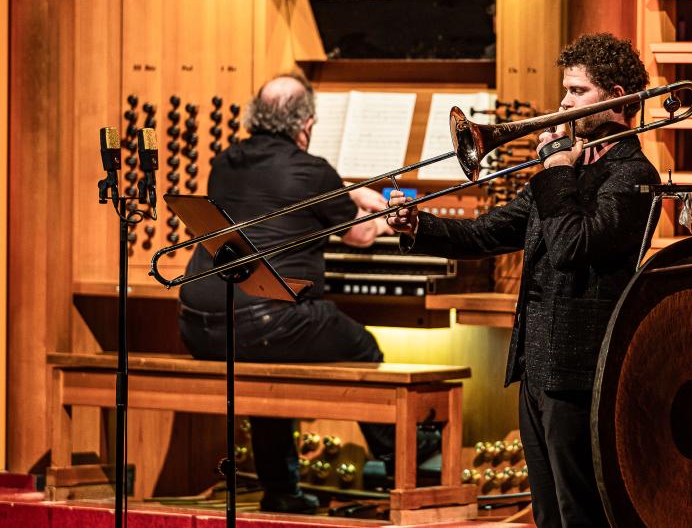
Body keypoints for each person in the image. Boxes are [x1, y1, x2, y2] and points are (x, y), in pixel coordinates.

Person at [387, 33, 659, 528]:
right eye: (565, 89)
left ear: (617, 97)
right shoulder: (566, 167)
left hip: (580, 370)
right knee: (547, 512)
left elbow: (575, 247)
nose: (564, 102)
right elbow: (488, 232)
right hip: (536, 366)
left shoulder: (632, 175)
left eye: (578, 91)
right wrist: (418, 225)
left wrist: (556, 171)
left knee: (582, 511)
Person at [177, 72, 394, 514]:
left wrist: (349, 194)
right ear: (307, 125)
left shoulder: (225, 162)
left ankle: (282, 489)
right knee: (363, 346)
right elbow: (359, 235)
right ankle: (401, 471)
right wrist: (389, 214)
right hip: (265, 321)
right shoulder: (312, 170)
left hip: (196, 323)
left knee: (266, 365)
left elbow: (274, 197)